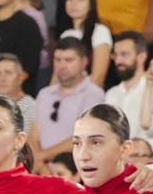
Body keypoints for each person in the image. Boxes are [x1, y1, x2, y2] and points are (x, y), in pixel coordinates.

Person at [29, 40, 105, 171]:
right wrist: (42, 165)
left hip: (75, 169)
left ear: (84, 62)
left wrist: (42, 156)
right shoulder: (44, 94)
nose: (62, 65)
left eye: (69, 60)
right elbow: (34, 135)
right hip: (42, 169)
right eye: (57, 60)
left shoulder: (93, 94)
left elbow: (84, 137)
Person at [105, 31, 153, 153]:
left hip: (147, 162)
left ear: (142, 56)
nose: (118, 60)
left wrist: (140, 150)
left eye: (124, 54)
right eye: (116, 55)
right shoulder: (111, 94)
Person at [58, 0, 113, 83]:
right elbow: (56, 76)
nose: (74, 4)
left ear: (90, 5)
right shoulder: (66, 34)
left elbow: (98, 77)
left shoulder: (100, 31)